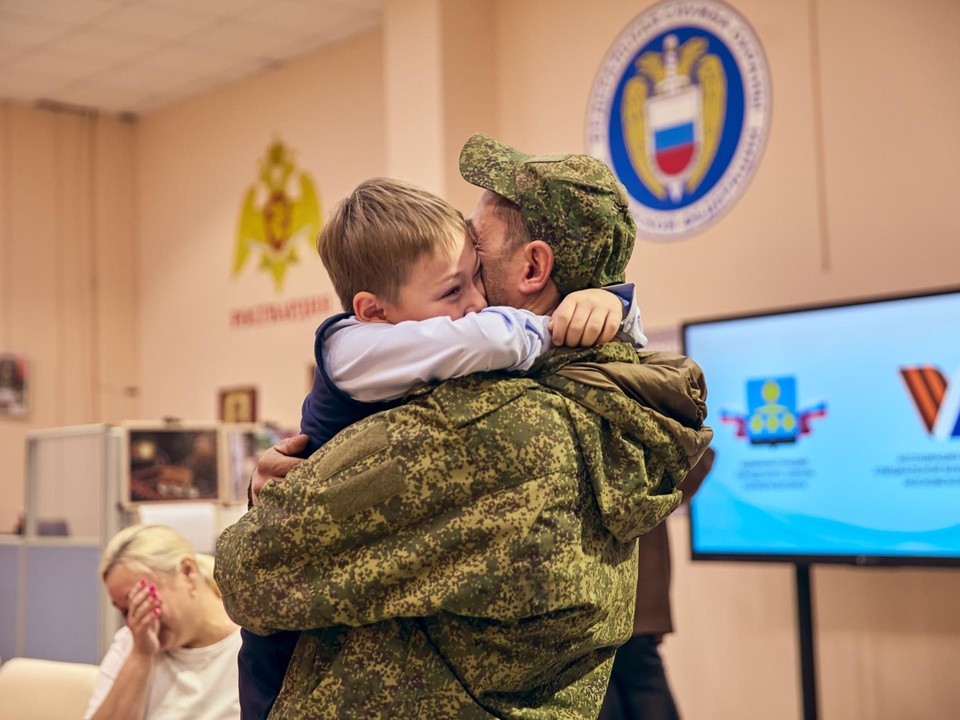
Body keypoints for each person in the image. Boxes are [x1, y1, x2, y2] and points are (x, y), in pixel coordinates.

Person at [216, 133, 713, 719]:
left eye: (476, 257)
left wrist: (267, 497)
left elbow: (249, 570)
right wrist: (617, 307)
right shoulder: (618, 396)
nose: (472, 301)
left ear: (534, 266)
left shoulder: (484, 422)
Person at [598, 446, 716, 720]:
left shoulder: (644, 407)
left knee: (635, 673)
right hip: (599, 589)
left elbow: (697, 459)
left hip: (627, 588)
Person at [85, 524, 241, 720]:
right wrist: (141, 655)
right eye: (125, 611)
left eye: (142, 600)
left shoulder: (250, 643)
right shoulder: (134, 640)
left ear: (187, 572)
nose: (136, 618)